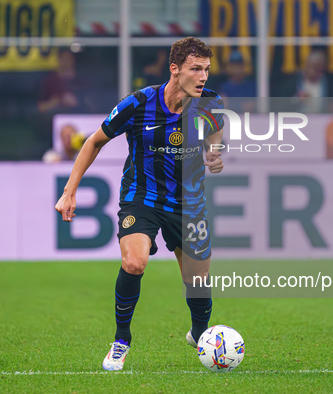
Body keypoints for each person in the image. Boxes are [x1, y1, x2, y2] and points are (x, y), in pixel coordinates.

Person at [54, 37, 224, 371]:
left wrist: (213, 152)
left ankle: (201, 333)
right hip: (141, 198)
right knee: (134, 263)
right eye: (195, 69)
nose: (202, 77)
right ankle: (121, 340)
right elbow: (94, 141)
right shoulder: (138, 103)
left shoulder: (211, 103)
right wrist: (69, 190)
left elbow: (215, 131)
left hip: (188, 202)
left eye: (206, 69)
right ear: (175, 69)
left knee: (198, 282)